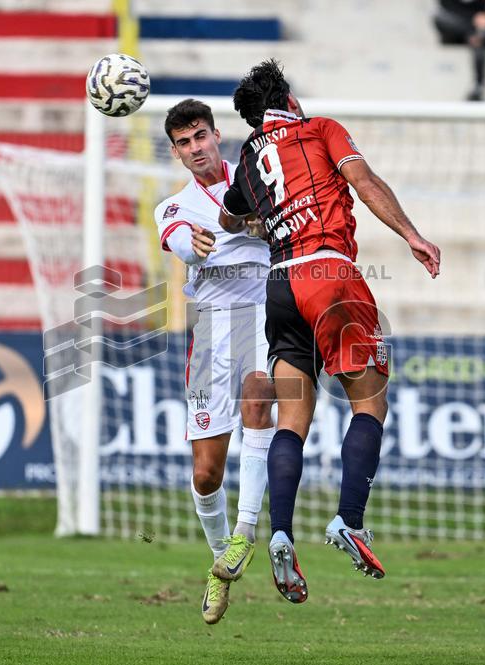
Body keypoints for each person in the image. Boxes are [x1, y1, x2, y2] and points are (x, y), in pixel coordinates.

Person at [219, 60, 440, 604]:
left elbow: (229, 217)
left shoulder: (247, 158)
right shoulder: (319, 128)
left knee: (292, 419)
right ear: (287, 100)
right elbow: (363, 182)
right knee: (369, 406)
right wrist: (412, 235)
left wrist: (255, 220)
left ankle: (280, 532)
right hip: (329, 275)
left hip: (280, 287)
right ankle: (349, 521)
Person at [153, 99, 276, 624]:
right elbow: (183, 243)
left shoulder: (259, 179)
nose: (195, 147)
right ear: (177, 153)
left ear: (216, 135)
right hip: (210, 333)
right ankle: (220, 560)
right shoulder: (173, 207)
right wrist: (198, 246)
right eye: (184, 142)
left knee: (259, 394)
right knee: (206, 473)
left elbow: (280, 225)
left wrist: (265, 227)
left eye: (200, 135)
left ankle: (247, 529)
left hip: (265, 315)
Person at [433, 0, 485, 101]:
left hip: (482, 28)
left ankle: (478, 87)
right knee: (440, 19)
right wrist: (473, 18)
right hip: (458, 24)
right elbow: (446, 6)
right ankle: (473, 36)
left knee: (480, 40)